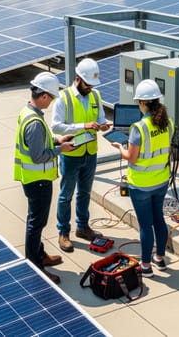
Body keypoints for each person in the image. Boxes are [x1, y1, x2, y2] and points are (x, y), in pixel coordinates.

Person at [15, 71, 76, 284]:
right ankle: (35, 264)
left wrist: (58, 140)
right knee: (36, 223)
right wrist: (63, 149)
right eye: (50, 97)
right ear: (43, 96)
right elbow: (38, 155)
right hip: (37, 180)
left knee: (37, 221)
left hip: (35, 179)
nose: (51, 102)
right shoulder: (34, 122)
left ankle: (39, 254)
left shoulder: (29, 113)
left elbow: (41, 144)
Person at [110, 79, 174, 277]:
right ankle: (160, 259)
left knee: (145, 225)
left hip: (141, 185)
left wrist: (120, 148)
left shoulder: (139, 128)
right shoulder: (168, 123)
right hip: (161, 181)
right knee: (159, 221)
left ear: (142, 103)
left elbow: (132, 157)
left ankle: (145, 266)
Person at [51, 58, 112, 252]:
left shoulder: (95, 95)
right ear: (78, 79)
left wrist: (102, 125)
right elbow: (56, 126)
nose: (91, 88)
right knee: (66, 195)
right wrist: (82, 126)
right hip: (71, 153)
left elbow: (100, 118)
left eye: (93, 84)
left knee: (84, 193)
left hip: (90, 152)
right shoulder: (64, 98)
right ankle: (63, 232)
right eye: (88, 84)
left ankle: (83, 227)